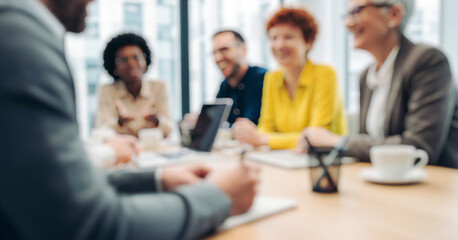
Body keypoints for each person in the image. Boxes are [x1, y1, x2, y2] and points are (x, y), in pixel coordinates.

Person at [0, 0, 261, 239]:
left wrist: (157, 178)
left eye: (136, 57)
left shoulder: (20, 30)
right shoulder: (19, 35)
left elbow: (55, 184)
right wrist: (217, 197)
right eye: (123, 59)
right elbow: (90, 223)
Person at [296, 0, 458, 169]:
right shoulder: (367, 76)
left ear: (394, 15)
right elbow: (367, 143)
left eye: (357, 11)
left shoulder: (428, 61)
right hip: (383, 181)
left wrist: (338, 141)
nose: (348, 23)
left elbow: (418, 146)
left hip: (432, 185)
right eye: (347, 15)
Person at [233, 8, 347, 150]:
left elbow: (317, 137)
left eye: (288, 37)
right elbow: (266, 128)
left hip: (324, 161)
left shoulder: (325, 74)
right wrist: (256, 136)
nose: (279, 45)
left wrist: (262, 138)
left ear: (308, 42)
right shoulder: (272, 78)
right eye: (274, 38)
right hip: (286, 158)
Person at [95, 33, 173, 138]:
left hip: (153, 149)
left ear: (145, 60)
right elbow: (101, 130)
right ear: (114, 65)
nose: (131, 64)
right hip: (122, 150)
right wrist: (119, 123)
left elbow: (170, 129)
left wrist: (156, 121)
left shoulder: (159, 87)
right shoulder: (107, 90)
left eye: (136, 57)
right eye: (123, 60)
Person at [213, 30, 268, 126]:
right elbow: (215, 124)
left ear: (243, 50)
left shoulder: (263, 79)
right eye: (214, 52)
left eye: (224, 49)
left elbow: (251, 124)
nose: (218, 58)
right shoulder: (224, 86)